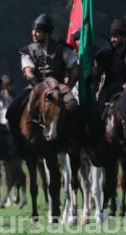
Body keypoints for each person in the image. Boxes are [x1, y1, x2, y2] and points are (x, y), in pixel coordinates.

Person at [5, 14, 79, 154]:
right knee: (12, 111)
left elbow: (75, 66)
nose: (34, 33)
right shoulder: (28, 50)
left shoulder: (61, 48)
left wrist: (70, 85)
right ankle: (18, 144)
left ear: (46, 33)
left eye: (38, 31)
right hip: (35, 86)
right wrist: (39, 87)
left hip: (58, 86)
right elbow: (28, 71)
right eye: (33, 30)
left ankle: (71, 141)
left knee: (73, 107)